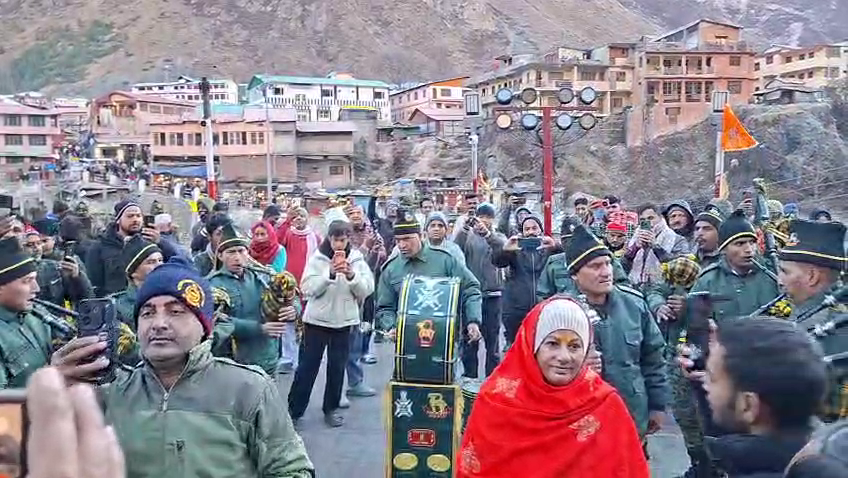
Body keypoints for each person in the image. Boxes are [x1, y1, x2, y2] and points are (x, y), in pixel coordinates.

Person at [51, 257, 316, 477]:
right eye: (148, 313)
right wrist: (54, 394)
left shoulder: (249, 389)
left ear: (205, 326)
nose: (159, 324)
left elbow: (291, 469)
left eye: (176, 311)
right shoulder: (110, 392)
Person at [458, 298, 649, 478]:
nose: (564, 357)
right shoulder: (496, 403)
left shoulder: (605, 406)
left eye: (574, 346)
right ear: (532, 346)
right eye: (552, 344)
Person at [563, 225, 669, 438]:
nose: (605, 272)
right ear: (575, 274)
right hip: (580, 418)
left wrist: (658, 406)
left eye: (608, 263)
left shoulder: (634, 305)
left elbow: (654, 358)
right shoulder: (560, 311)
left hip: (631, 412)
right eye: (595, 266)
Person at [700, 318, 827, 477]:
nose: (704, 383)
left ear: (748, 405)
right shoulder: (822, 454)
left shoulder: (730, 462)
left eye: (712, 378)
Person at [289, 217, 374, 427]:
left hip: (344, 322)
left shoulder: (356, 260)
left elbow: (367, 289)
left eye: (343, 240)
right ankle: (294, 410)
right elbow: (306, 288)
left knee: (337, 368)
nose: (339, 245)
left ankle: (331, 409)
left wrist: (352, 275)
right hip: (316, 322)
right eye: (335, 240)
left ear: (349, 239)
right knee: (307, 367)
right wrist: (329, 275)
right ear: (329, 238)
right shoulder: (317, 258)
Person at [376, 210, 482, 344]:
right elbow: (384, 307)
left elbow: (471, 288)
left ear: (421, 235)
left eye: (407, 239)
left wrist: (473, 321)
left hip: (445, 339)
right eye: (398, 240)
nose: (402, 245)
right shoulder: (391, 269)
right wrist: (391, 326)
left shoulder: (445, 260)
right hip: (407, 341)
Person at [777, 219, 847, 423]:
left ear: (812, 277)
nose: (779, 280)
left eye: (785, 271)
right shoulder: (811, 313)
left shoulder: (832, 326)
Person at [0, 237, 76, 388]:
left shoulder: (35, 313)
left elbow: (63, 342)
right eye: (27, 281)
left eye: (34, 279)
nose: (36, 288)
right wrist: (52, 373)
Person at [85, 199, 180, 297]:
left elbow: (177, 263)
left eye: (138, 216)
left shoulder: (150, 242)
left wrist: (161, 242)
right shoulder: (100, 246)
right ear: (118, 220)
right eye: (130, 216)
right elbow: (94, 283)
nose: (135, 219)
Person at [454, 203, 506, 378]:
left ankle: (492, 380)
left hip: (493, 295)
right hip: (471, 296)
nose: (484, 221)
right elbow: (455, 250)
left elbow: (503, 250)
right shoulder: (468, 237)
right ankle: (470, 379)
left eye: (488, 217)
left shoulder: (498, 237)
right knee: (469, 342)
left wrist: (488, 235)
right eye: (481, 217)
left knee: (493, 344)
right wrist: (464, 229)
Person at [491, 213, 557, 347]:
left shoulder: (549, 250)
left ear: (541, 230)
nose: (531, 232)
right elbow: (497, 262)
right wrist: (506, 249)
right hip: (517, 310)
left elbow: (567, 260)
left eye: (534, 228)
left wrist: (555, 247)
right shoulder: (515, 250)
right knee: (518, 348)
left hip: (544, 308)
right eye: (527, 229)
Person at [24, 226, 93, 308]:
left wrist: (76, 277)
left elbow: (82, 297)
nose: (36, 248)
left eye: (39, 243)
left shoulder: (55, 267)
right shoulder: (16, 273)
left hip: (56, 314)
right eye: (30, 245)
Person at [110, 235, 164, 327]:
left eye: (160, 260)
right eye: (151, 262)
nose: (159, 266)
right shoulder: (117, 306)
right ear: (133, 272)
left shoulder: (172, 297)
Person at [276, 206, 321, 287]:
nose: (299, 218)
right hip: (289, 275)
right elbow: (277, 242)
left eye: (302, 216)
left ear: (307, 219)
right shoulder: (288, 234)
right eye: (295, 217)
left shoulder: (315, 237)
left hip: (307, 274)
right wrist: (287, 221)